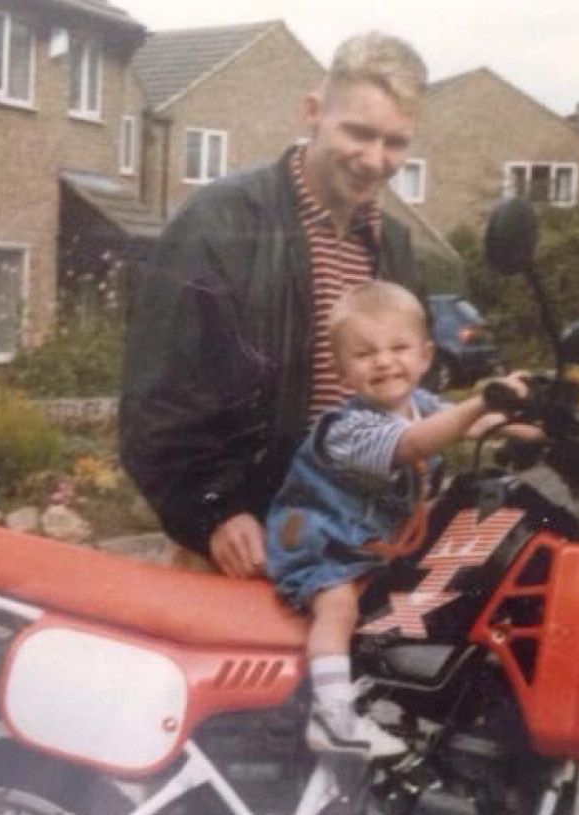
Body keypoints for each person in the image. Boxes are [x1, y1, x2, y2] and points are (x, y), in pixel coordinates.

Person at [120, 32, 428, 576]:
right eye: (358, 132)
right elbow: (157, 402)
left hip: (351, 539)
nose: (375, 160)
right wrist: (214, 511)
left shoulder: (392, 246)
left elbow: (402, 384)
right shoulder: (218, 222)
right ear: (312, 112)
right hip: (245, 547)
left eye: (395, 142)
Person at [264, 281, 530, 759]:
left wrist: (529, 420)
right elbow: (413, 444)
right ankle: (334, 716)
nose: (384, 361)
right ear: (342, 370)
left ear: (426, 356)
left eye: (399, 348)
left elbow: (472, 424)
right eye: (365, 354)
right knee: (338, 606)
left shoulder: (422, 406)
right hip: (323, 544)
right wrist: (481, 402)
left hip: (373, 546)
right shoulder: (349, 429)